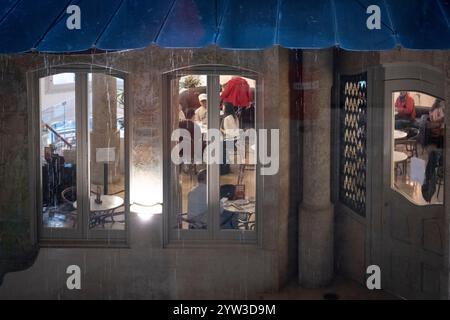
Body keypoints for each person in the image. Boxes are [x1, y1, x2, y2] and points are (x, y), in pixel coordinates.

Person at [220, 102, 240, 175]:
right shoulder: (234, 116)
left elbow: (230, 132)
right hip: (233, 139)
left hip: (229, 139)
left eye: (223, 106)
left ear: (226, 108)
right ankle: (225, 168)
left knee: (219, 148)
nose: (222, 108)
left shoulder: (228, 118)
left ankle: (224, 169)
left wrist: (221, 130)